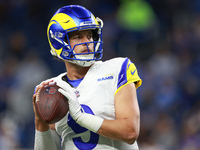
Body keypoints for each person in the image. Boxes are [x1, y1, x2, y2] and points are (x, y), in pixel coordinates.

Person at [32, 5, 142, 150]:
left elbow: (130, 132)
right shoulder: (51, 88)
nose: (88, 42)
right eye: (78, 37)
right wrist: (41, 124)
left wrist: (80, 117)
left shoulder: (118, 68)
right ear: (58, 41)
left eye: (89, 35)